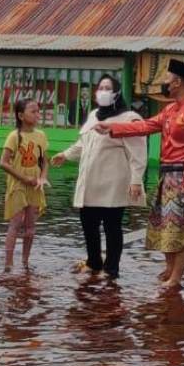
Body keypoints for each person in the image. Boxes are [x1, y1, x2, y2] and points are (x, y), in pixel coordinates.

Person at [95, 59, 184, 291]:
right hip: (167, 176)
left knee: (182, 228)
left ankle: (176, 277)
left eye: (167, 79)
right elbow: (145, 126)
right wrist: (113, 128)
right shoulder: (170, 109)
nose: (164, 83)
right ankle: (170, 270)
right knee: (166, 227)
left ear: (178, 82)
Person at [51, 74, 147, 280]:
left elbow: (138, 153)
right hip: (90, 181)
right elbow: (84, 143)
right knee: (88, 222)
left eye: (107, 88)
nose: (102, 91)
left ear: (116, 93)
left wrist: (136, 180)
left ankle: (111, 269)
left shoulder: (129, 118)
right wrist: (65, 155)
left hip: (113, 183)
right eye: (100, 87)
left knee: (112, 226)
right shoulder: (94, 115)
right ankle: (93, 261)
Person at [0, 98, 49, 270]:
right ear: (21, 115)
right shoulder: (14, 136)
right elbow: (3, 162)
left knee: (30, 227)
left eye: (38, 111)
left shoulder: (41, 135)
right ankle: (8, 263)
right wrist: (23, 178)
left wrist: (42, 178)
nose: (37, 115)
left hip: (35, 186)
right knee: (15, 224)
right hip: (18, 186)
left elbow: (44, 161)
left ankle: (25, 262)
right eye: (33, 111)